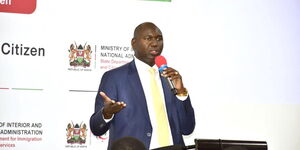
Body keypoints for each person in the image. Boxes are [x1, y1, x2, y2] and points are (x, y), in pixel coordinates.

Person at [90, 22, 195, 150]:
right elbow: (96, 128)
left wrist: (182, 93)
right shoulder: (114, 77)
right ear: (134, 43)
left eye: (159, 38)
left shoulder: (170, 77)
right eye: (148, 38)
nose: (155, 43)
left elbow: (187, 128)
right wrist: (106, 113)